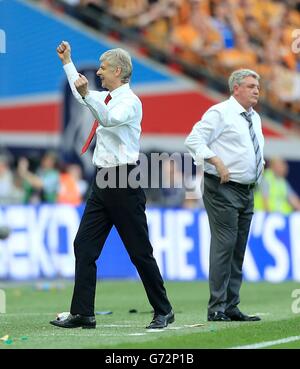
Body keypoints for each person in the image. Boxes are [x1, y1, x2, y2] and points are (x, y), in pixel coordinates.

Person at [50, 41, 174, 329]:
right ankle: (83, 313)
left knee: (139, 251)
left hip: (123, 179)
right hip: (102, 178)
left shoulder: (130, 102)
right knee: (84, 245)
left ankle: (164, 310)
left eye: (104, 69)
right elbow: (82, 94)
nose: (100, 74)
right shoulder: (104, 97)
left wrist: (86, 95)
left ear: (118, 71)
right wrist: (67, 61)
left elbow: (106, 119)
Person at [185, 68, 264, 322]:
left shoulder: (255, 118)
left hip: (245, 190)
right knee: (225, 245)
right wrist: (216, 160)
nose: (256, 90)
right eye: (251, 86)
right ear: (236, 88)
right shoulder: (220, 112)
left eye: (257, 86)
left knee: (237, 249)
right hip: (222, 188)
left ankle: (231, 305)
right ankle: (217, 307)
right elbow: (194, 139)